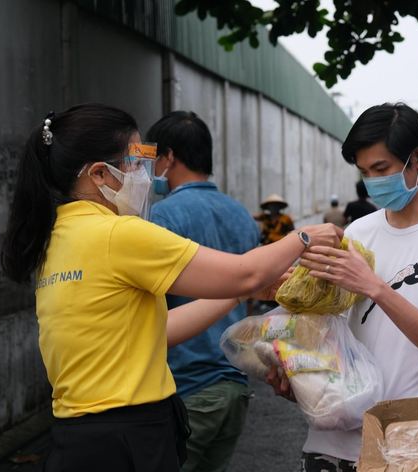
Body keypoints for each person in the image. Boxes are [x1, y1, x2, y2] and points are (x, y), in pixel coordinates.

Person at [0, 103, 342, 472]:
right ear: (99, 173)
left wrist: (240, 294)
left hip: (79, 438)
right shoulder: (118, 234)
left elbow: (154, 332)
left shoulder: (58, 239)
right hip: (131, 435)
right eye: (136, 161)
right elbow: (247, 271)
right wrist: (304, 237)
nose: (144, 175)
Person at [267, 103, 418, 472]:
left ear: (417, 158)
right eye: (364, 172)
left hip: (405, 447)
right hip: (330, 439)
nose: (372, 181)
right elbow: (333, 335)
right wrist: (297, 374)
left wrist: (375, 287)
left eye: (382, 169)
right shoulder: (359, 232)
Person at [146, 110, 260, 472]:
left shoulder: (162, 217)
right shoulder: (241, 213)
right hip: (235, 385)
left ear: (169, 157)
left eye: (151, 157)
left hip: (186, 387)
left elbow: (148, 307)